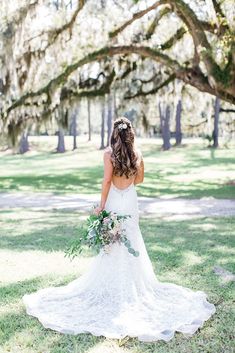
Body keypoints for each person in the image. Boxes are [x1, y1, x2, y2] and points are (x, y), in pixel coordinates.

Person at [22, 117, 215, 342]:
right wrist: (129, 177)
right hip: (130, 200)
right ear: (130, 133)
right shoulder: (138, 153)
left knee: (112, 241)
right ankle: (133, 286)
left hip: (114, 199)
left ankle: (113, 286)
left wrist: (101, 206)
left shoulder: (108, 155)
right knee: (131, 239)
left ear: (114, 133)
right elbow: (140, 179)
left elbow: (106, 181)